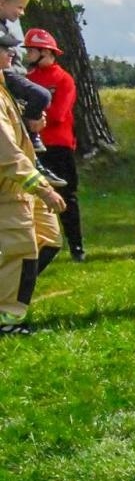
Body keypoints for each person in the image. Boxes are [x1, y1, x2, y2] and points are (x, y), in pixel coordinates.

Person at [0, 32, 65, 335]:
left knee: (49, 239)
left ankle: (9, 295)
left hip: (22, 187)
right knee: (20, 250)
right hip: (9, 188)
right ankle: (8, 320)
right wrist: (43, 188)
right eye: (4, 50)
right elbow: (7, 154)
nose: (12, 55)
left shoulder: (5, 86)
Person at [22, 28, 83, 260]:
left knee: (67, 196)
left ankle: (77, 247)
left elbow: (58, 114)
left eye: (31, 50)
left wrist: (32, 115)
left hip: (59, 145)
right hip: (33, 146)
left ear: (45, 51)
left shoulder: (64, 79)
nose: (27, 54)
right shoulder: (26, 79)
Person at [0, 0, 66, 189]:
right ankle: (33, 139)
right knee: (42, 95)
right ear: (2, 3)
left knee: (29, 106)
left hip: (11, 74)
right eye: (19, 7)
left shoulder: (4, 26)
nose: (22, 13)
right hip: (8, 75)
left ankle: (34, 150)